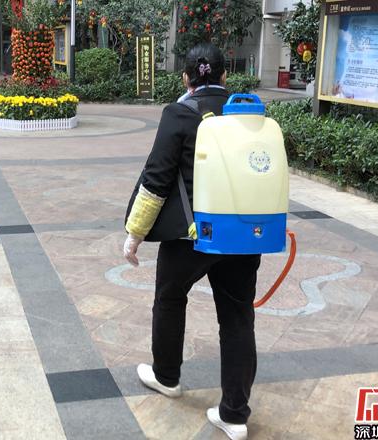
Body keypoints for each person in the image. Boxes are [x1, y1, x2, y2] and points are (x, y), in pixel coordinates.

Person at [123, 43, 261, 440]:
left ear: (186, 78)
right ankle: (234, 415)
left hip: (192, 236)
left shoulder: (179, 114)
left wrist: (134, 235)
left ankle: (167, 376)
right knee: (237, 318)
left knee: (169, 299)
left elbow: (156, 180)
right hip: (242, 234)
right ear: (224, 76)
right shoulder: (249, 116)